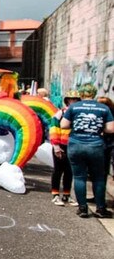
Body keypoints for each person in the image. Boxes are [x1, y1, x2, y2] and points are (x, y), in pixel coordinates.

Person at [61, 84, 114, 218]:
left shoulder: (73, 107)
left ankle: (82, 208)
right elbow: (111, 129)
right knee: (98, 178)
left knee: (79, 177)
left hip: (76, 144)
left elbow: (64, 125)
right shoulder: (104, 108)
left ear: (81, 94)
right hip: (96, 145)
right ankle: (101, 209)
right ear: (94, 93)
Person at [49, 90, 80, 205]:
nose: (74, 102)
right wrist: (56, 145)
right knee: (58, 170)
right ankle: (56, 194)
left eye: (76, 100)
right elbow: (53, 129)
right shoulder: (60, 113)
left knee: (69, 171)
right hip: (61, 145)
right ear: (67, 101)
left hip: (74, 146)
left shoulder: (79, 113)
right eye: (72, 100)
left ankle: (67, 195)